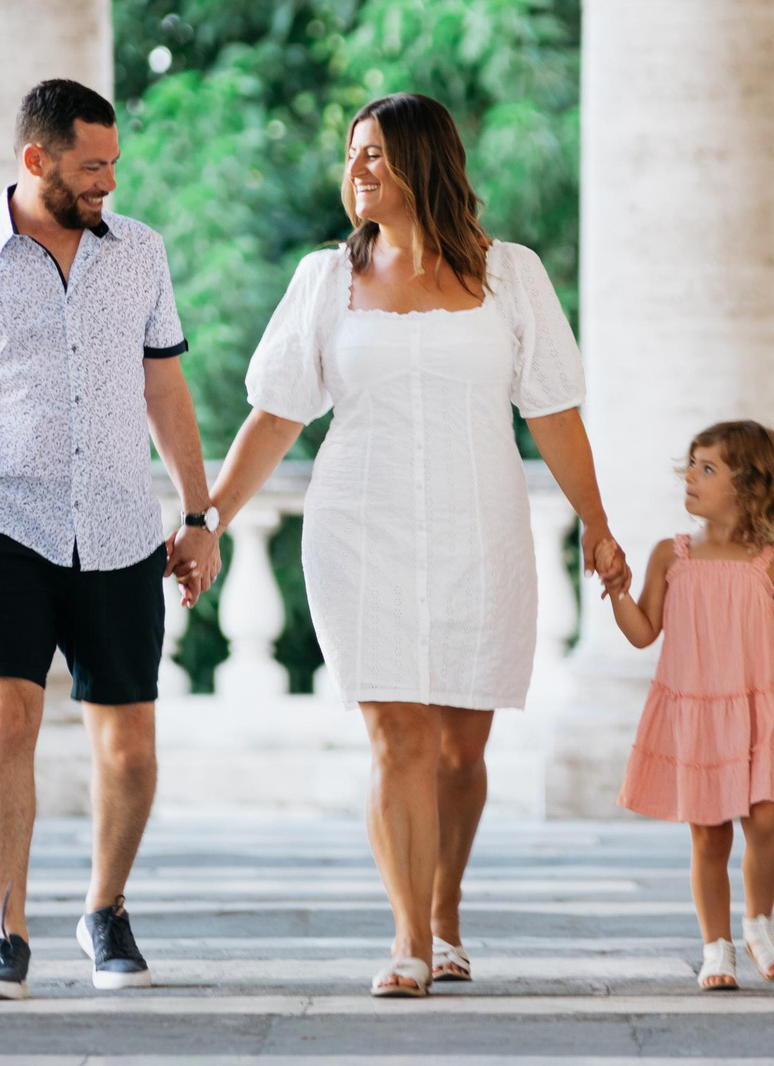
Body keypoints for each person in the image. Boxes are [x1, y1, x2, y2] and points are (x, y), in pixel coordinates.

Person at [207, 92, 631, 998]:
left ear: (423, 161)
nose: (356, 168)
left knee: (459, 754)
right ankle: (407, 938)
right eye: (352, 152)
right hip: (360, 528)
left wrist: (598, 524)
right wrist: (209, 520)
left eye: (375, 153)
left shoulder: (510, 275)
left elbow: (555, 414)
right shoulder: (325, 280)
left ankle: (445, 912)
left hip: (482, 526)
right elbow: (275, 417)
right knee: (397, 738)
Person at [0, 79, 215, 1002]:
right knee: (5, 722)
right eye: (92, 165)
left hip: (119, 524)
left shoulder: (141, 251)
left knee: (132, 747)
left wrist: (199, 516)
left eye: (113, 163)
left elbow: (165, 389)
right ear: (36, 160)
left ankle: (104, 909)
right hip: (1, 522)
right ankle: (5, 930)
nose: (108, 181)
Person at [608, 420, 774, 991]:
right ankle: (716, 948)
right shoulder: (671, 554)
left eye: (707, 468)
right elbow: (642, 632)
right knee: (709, 835)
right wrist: (618, 590)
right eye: (690, 464)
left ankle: (758, 926)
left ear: (749, 482)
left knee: (766, 820)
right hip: (700, 714)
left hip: (759, 710)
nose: (691, 477)